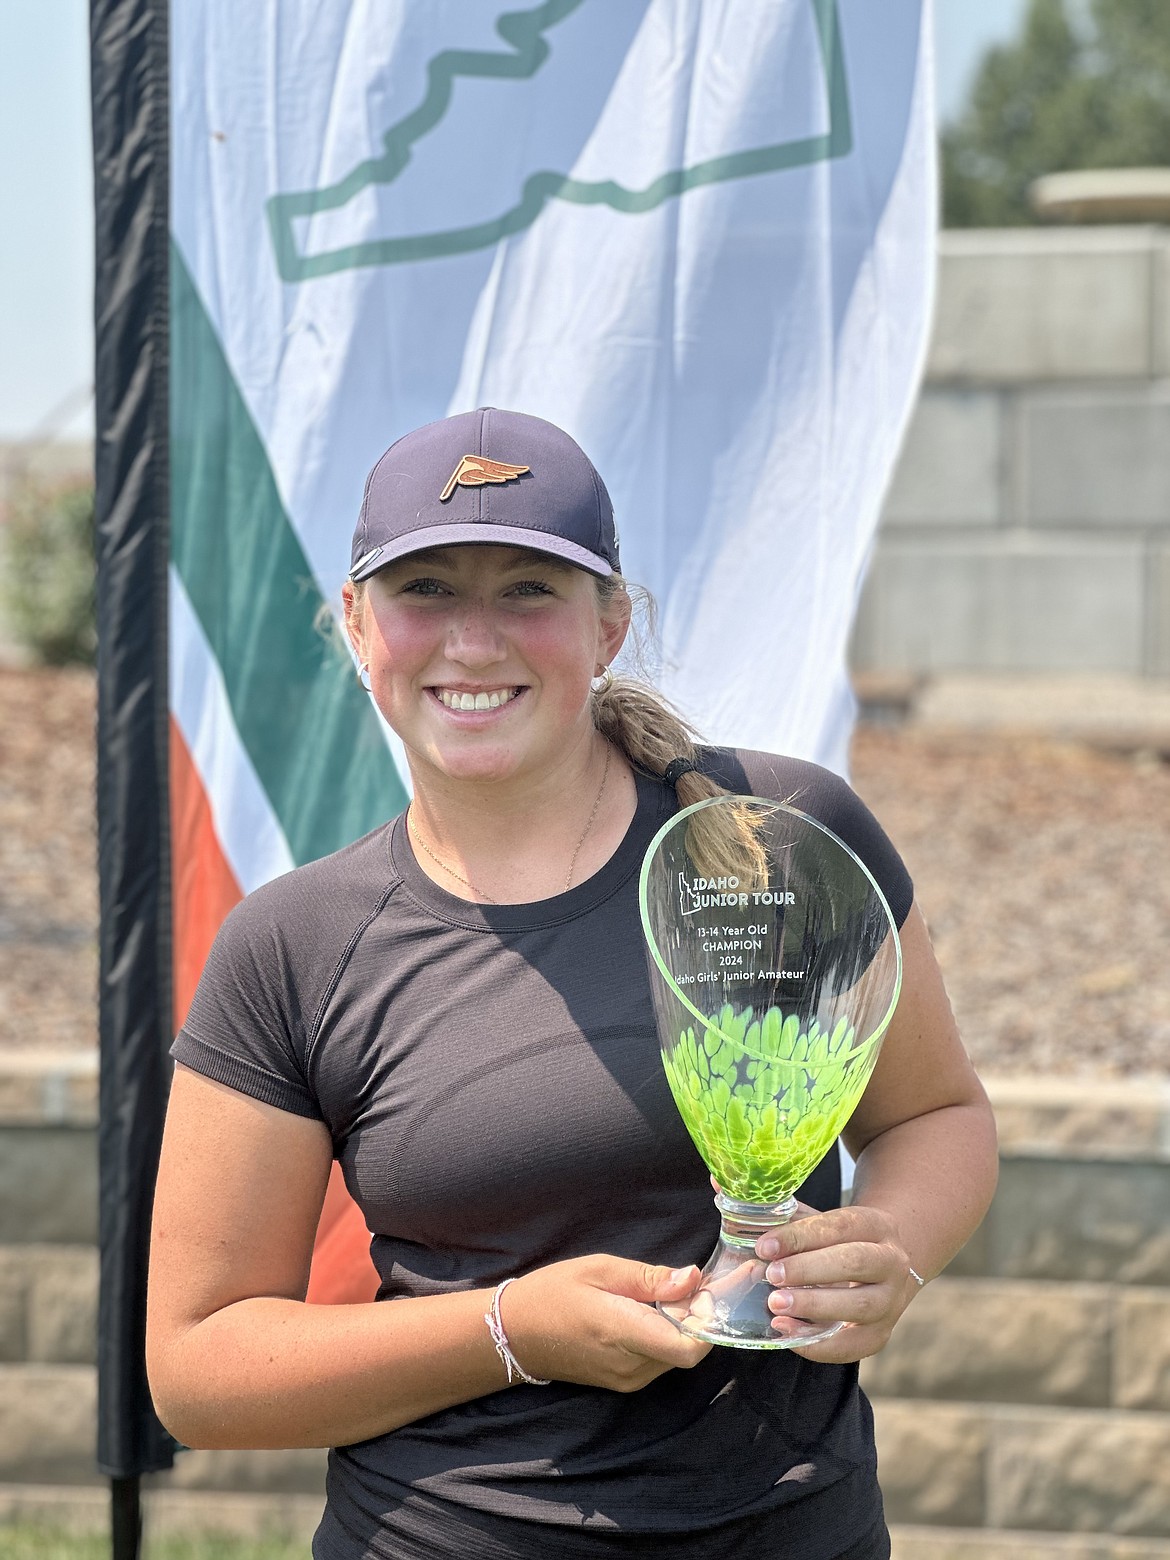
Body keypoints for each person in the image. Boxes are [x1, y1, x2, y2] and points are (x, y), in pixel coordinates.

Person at [146, 407, 998, 1560]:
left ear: (609, 626)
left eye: (529, 592)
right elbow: (200, 1369)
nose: (475, 642)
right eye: (428, 591)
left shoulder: (777, 840)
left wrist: (877, 1252)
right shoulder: (294, 946)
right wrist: (509, 1332)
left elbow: (936, 1116)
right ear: (357, 623)